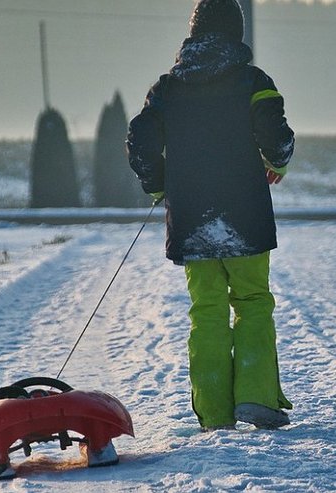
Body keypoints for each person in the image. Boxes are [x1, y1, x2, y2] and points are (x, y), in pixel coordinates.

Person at [127, 0, 295, 431]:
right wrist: (277, 163)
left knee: (207, 311)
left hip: (191, 217)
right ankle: (256, 398)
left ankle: (215, 412)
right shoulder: (253, 81)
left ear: (194, 33)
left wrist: (159, 183)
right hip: (246, 216)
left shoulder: (166, 89)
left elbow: (139, 138)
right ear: (236, 33)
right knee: (254, 303)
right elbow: (277, 136)